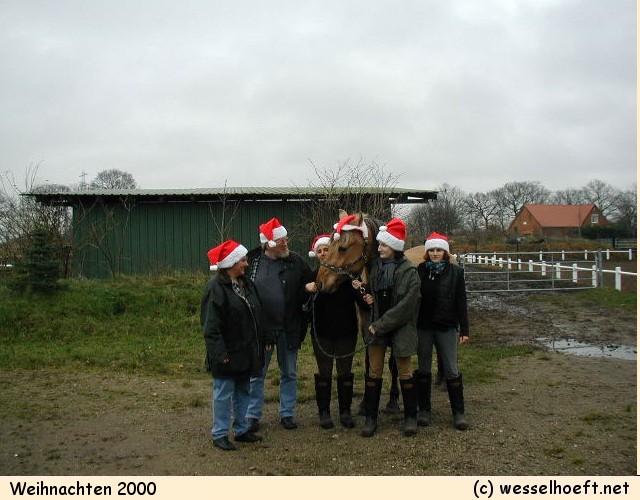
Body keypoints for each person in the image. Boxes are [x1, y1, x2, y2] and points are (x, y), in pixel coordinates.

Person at [201, 240, 272, 451]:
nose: (246, 264)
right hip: (227, 352)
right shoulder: (215, 289)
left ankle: (241, 430)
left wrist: (266, 336)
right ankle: (220, 434)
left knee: (243, 390)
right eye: (242, 260)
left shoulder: (247, 284)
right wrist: (219, 353)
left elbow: (259, 312)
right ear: (231, 263)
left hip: (246, 351)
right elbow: (211, 326)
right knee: (223, 393)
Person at [245, 218, 312, 431]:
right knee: (257, 373)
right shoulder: (251, 262)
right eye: (282, 240)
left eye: (286, 239)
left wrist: (308, 289)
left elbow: (309, 285)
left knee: (289, 372)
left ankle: (287, 413)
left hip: (288, 327)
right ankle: (252, 415)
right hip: (260, 329)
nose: (286, 243)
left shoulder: (296, 261)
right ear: (270, 243)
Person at [360, 217, 421, 437]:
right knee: (374, 372)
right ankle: (371, 417)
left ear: (394, 246)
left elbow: (406, 307)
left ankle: (410, 417)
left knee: (405, 372)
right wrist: (367, 295)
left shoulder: (410, 272)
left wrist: (379, 325)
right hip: (377, 327)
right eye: (379, 244)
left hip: (399, 328)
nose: (379, 249)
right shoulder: (375, 268)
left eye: (384, 245)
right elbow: (376, 296)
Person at [305, 233, 369, 429]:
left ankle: (345, 411)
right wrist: (306, 290)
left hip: (346, 332)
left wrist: (364, 293)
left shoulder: (347, 276)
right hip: (322, 332)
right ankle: (324, 412)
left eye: (327, 250)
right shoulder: (312, 276)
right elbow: (303, 305)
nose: (324, 253)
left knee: (345, 372)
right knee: (324, 372)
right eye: (320, 251)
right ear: (316, 254)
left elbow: (362, 302)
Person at [415, 232, 470, 430]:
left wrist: (464, 328)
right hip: (424, 326)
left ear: (445, 252)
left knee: (451, 369)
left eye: (439, 250)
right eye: (431, 250)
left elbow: (461, 301)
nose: (435, 253)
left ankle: (458, 413)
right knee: (423, 368)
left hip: (446, 326)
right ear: (427, 252)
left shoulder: (456, 272)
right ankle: (424, 410)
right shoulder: (420, 270)